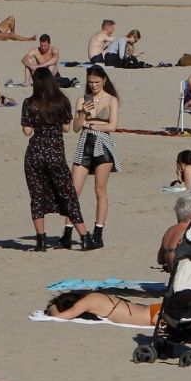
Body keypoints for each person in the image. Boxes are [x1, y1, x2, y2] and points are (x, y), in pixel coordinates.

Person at [22, 68, 91, 252]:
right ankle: (84, 236)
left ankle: (41, 241)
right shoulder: (61, 102)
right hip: (55, 153)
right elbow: (67, 128)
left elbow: (27, 131)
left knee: (36, 197)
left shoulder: (30, 103)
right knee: (68, 195)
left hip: (35, 154)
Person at [43, 290, 191, 342]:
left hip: (155, 316)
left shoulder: (90, 301)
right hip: (154, 311)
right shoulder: (96, 299)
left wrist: (52, 313)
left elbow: (64, 316)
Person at [68, 65, 120, 249]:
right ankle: (67, 232)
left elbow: (112, 126)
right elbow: (75, 127)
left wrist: (92, 126)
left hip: (103, 144)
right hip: (84, 143)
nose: (93, 85)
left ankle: (98, 233)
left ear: (104, 80)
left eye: (97, 82)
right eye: (90, 82)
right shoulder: (82, 99)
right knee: (73, 191)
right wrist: (82, 113)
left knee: (100, 190)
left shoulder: (111, 100)